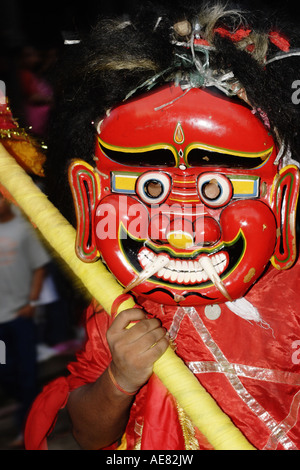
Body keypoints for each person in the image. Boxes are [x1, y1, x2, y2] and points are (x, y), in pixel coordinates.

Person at [23, 1, 300, 450]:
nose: (183, 227)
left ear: (282, 194)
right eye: (151, 187)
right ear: (91, 193)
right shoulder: (117, 297)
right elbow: (91, 438)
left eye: (216, 188)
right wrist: (119, 379)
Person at [0, 189, 50, 446]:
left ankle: (27, 426)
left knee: (27, 373)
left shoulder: (22, 229)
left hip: (21, 319)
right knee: (4, 369)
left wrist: (32, 302)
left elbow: (39, 266)